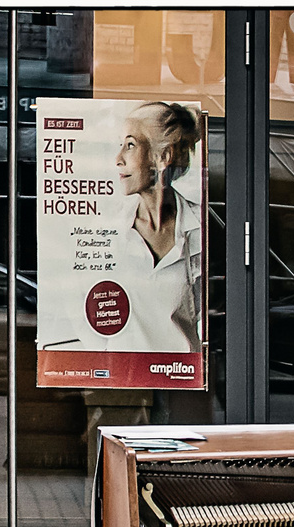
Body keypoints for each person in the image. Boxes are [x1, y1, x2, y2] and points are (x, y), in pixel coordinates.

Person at [112, 101, 203, 353]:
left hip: (181, 376)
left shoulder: (201, 229)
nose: (118, 159)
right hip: (123, 378)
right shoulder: (109, 230)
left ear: (161, 157)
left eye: (130, 145)